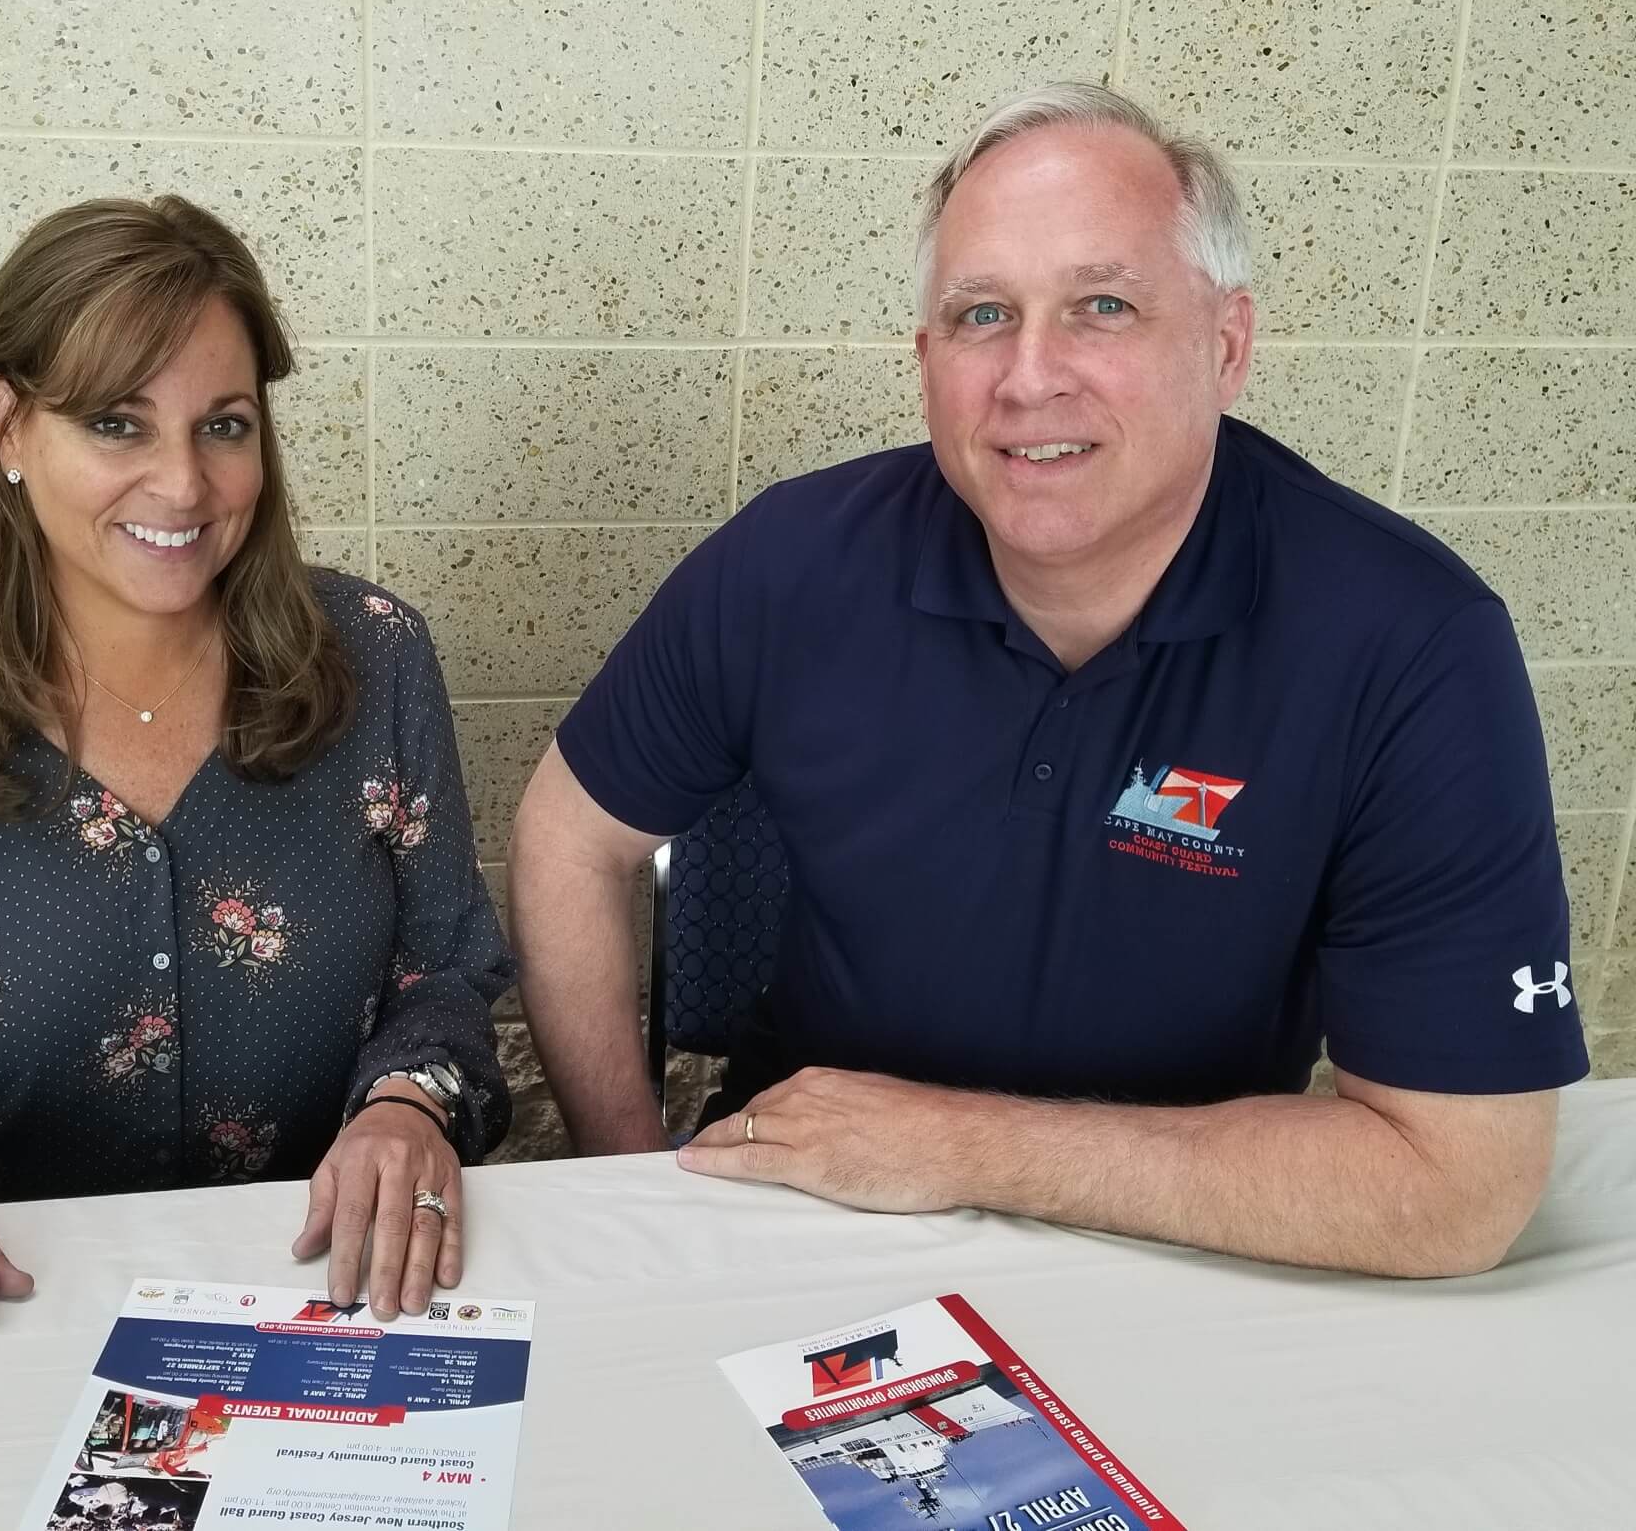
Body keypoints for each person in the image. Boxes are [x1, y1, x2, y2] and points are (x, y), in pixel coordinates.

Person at [507, 84, 1588, 1278]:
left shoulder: (1412, 644)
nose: (1028, 377)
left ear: (1225, 345)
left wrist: (962, 1146)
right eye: (980, 315)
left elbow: (1461, 1186)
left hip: (1191, 1232)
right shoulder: (788, 563)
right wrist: (628, 1173)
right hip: (810, 1210)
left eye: (1101, 306)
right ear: (923, 361)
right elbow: (569, 834)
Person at [0, 196, 512, 1327]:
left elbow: (446, 977)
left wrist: (407, 1106)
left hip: (316, 1295)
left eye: (223, 425)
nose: (183, 485)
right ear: (6, 426)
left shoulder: (374, 657)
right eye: (117, 425)